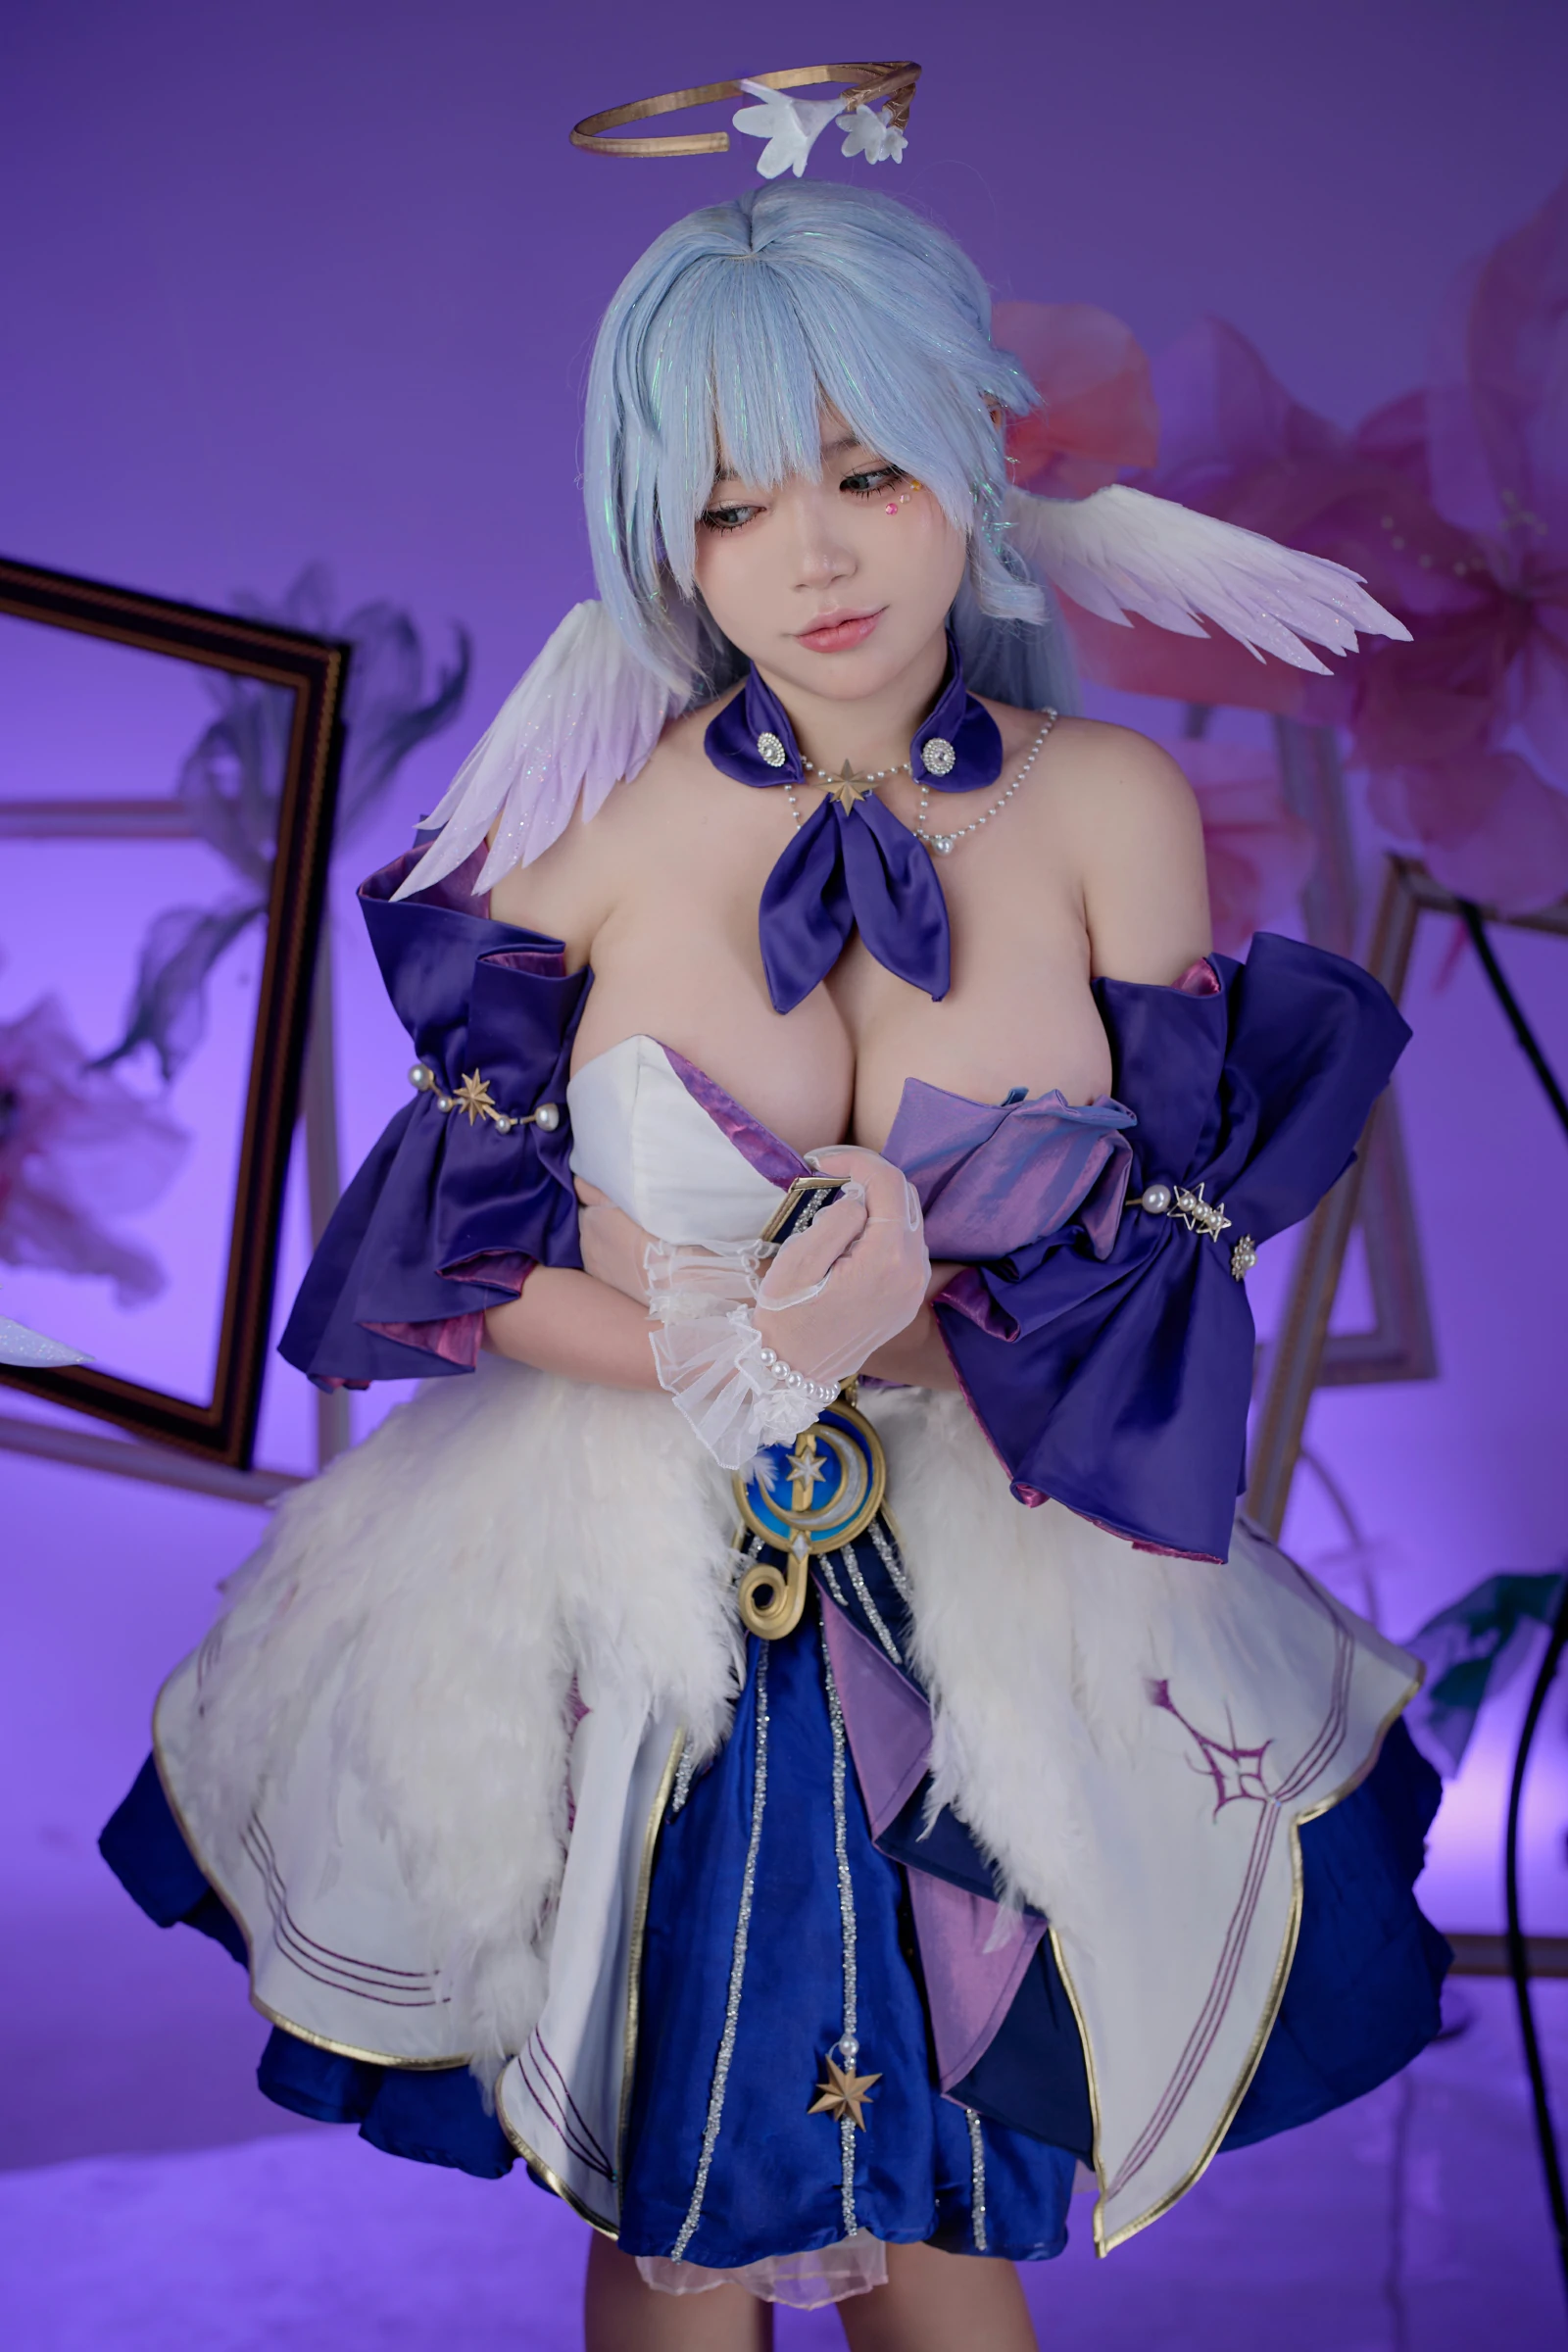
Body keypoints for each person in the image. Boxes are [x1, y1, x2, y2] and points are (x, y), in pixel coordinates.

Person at [104, 169, 1449, 2352]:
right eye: (731, 507)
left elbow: (1163, 1271)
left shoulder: (1106, 805)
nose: (809, 558)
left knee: (950, 2198)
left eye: (865, 474)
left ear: (976, 459)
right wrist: (724, 1341)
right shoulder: (586, 825)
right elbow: (446, 1264)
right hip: (630, 1583)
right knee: (682, 2190)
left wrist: (906, 1329)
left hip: (1005, 1580)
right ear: (663, 535)